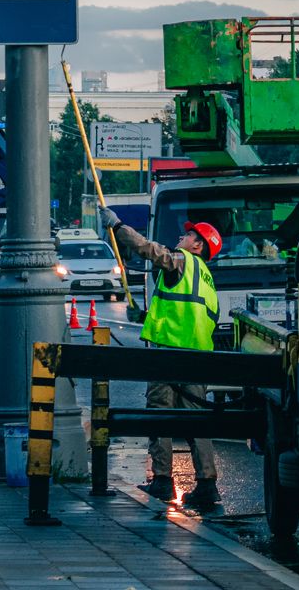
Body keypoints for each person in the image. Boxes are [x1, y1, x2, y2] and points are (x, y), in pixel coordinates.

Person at [100, 207, 223, 509]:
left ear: (198, 245)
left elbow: (149, 250)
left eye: (189, 234)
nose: (182, 236)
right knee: (197, 421)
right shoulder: (206, 278)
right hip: (197, 358)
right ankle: (207, 485)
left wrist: (118, 227)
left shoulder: (183, 260)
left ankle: (162, 481)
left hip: (169, 354)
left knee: (159, 414)